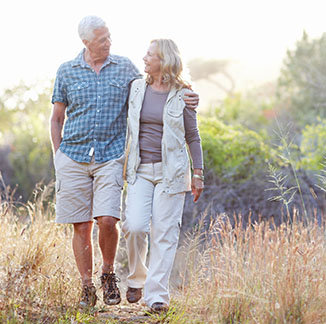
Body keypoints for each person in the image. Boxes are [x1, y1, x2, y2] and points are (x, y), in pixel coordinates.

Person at [50, 16, 199, 308]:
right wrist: (58, 156)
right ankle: (86, 286)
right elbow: (56, 118)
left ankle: (109, 275)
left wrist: (187, 95)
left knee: (108, 220)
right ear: (86, 42)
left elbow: (158, 86)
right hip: (73, 156)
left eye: (109, 37)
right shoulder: (66, 71)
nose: (108, 43)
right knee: (81, 226)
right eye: (102, 39)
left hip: (110, 157)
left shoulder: (125, 68)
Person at [122, 39, 204, 313]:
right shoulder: (136, 88)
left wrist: (198, 173)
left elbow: (193, 136)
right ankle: (137, 278)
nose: (144, 57)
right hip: (140, 170)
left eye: (150, 54)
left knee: (165, 234)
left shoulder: (184, 94)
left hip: (172, 173)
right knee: (134, 226)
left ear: (164, 60)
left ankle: (157, 296)